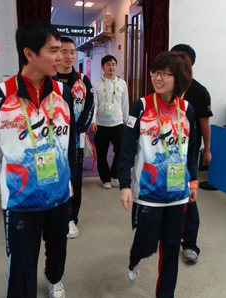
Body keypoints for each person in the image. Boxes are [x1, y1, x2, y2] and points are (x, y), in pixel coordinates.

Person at [0, 20, 76, 298]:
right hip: (21, 198)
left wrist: (71, 185)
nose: (62, 58)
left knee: (58, 247)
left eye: (62, 51)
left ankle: (53, 278)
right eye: (54, 51)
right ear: (30, 54)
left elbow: (70, 144)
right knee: (22, 259)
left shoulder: (63, 94)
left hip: (59, 192)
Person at [118, 51, 198, 298]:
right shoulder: (141, 106)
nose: (158, 77)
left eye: (165, 73)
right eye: (156, 72)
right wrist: (124, 184)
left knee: (172, 248)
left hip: (178, 193)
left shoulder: (187, 109)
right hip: (147, 192)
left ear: (180, 77)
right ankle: (136, 259)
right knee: (143, 240)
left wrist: (193, 180)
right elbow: (127, 148)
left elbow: (191, 148)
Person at [170, 44, 213, 264]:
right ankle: (168, 238)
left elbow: (205, 124)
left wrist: (207, 149)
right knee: (167, 195)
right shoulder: (166, 85)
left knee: (189, 197)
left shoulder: (199, 91)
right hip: (165, 154)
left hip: (188, 155)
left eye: (182, 58)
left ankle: (190, 244)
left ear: (191, 63)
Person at [52, 37, 94, 239]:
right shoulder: (48, 80)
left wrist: (78, 129)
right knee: (53, 177)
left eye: (72, 52)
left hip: (75, 140)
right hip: (51, 142)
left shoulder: (83, 80)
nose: (68, 57)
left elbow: (90, 106)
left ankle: (71, 219)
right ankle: (52, 216)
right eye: (63, 51)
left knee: (74, 180)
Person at [91, 55, 129, 189]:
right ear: (102, 67)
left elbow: (125, 103)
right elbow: (94, 104)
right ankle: (105, 179)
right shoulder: (96, 84)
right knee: (101, 154)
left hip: (118, 123)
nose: (111, 67)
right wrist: (93, 121)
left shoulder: (122, 83)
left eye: (113, 64)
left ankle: (115, 173)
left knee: (121, 151)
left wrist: (126, 120)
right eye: (108, 64)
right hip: (101, 124)